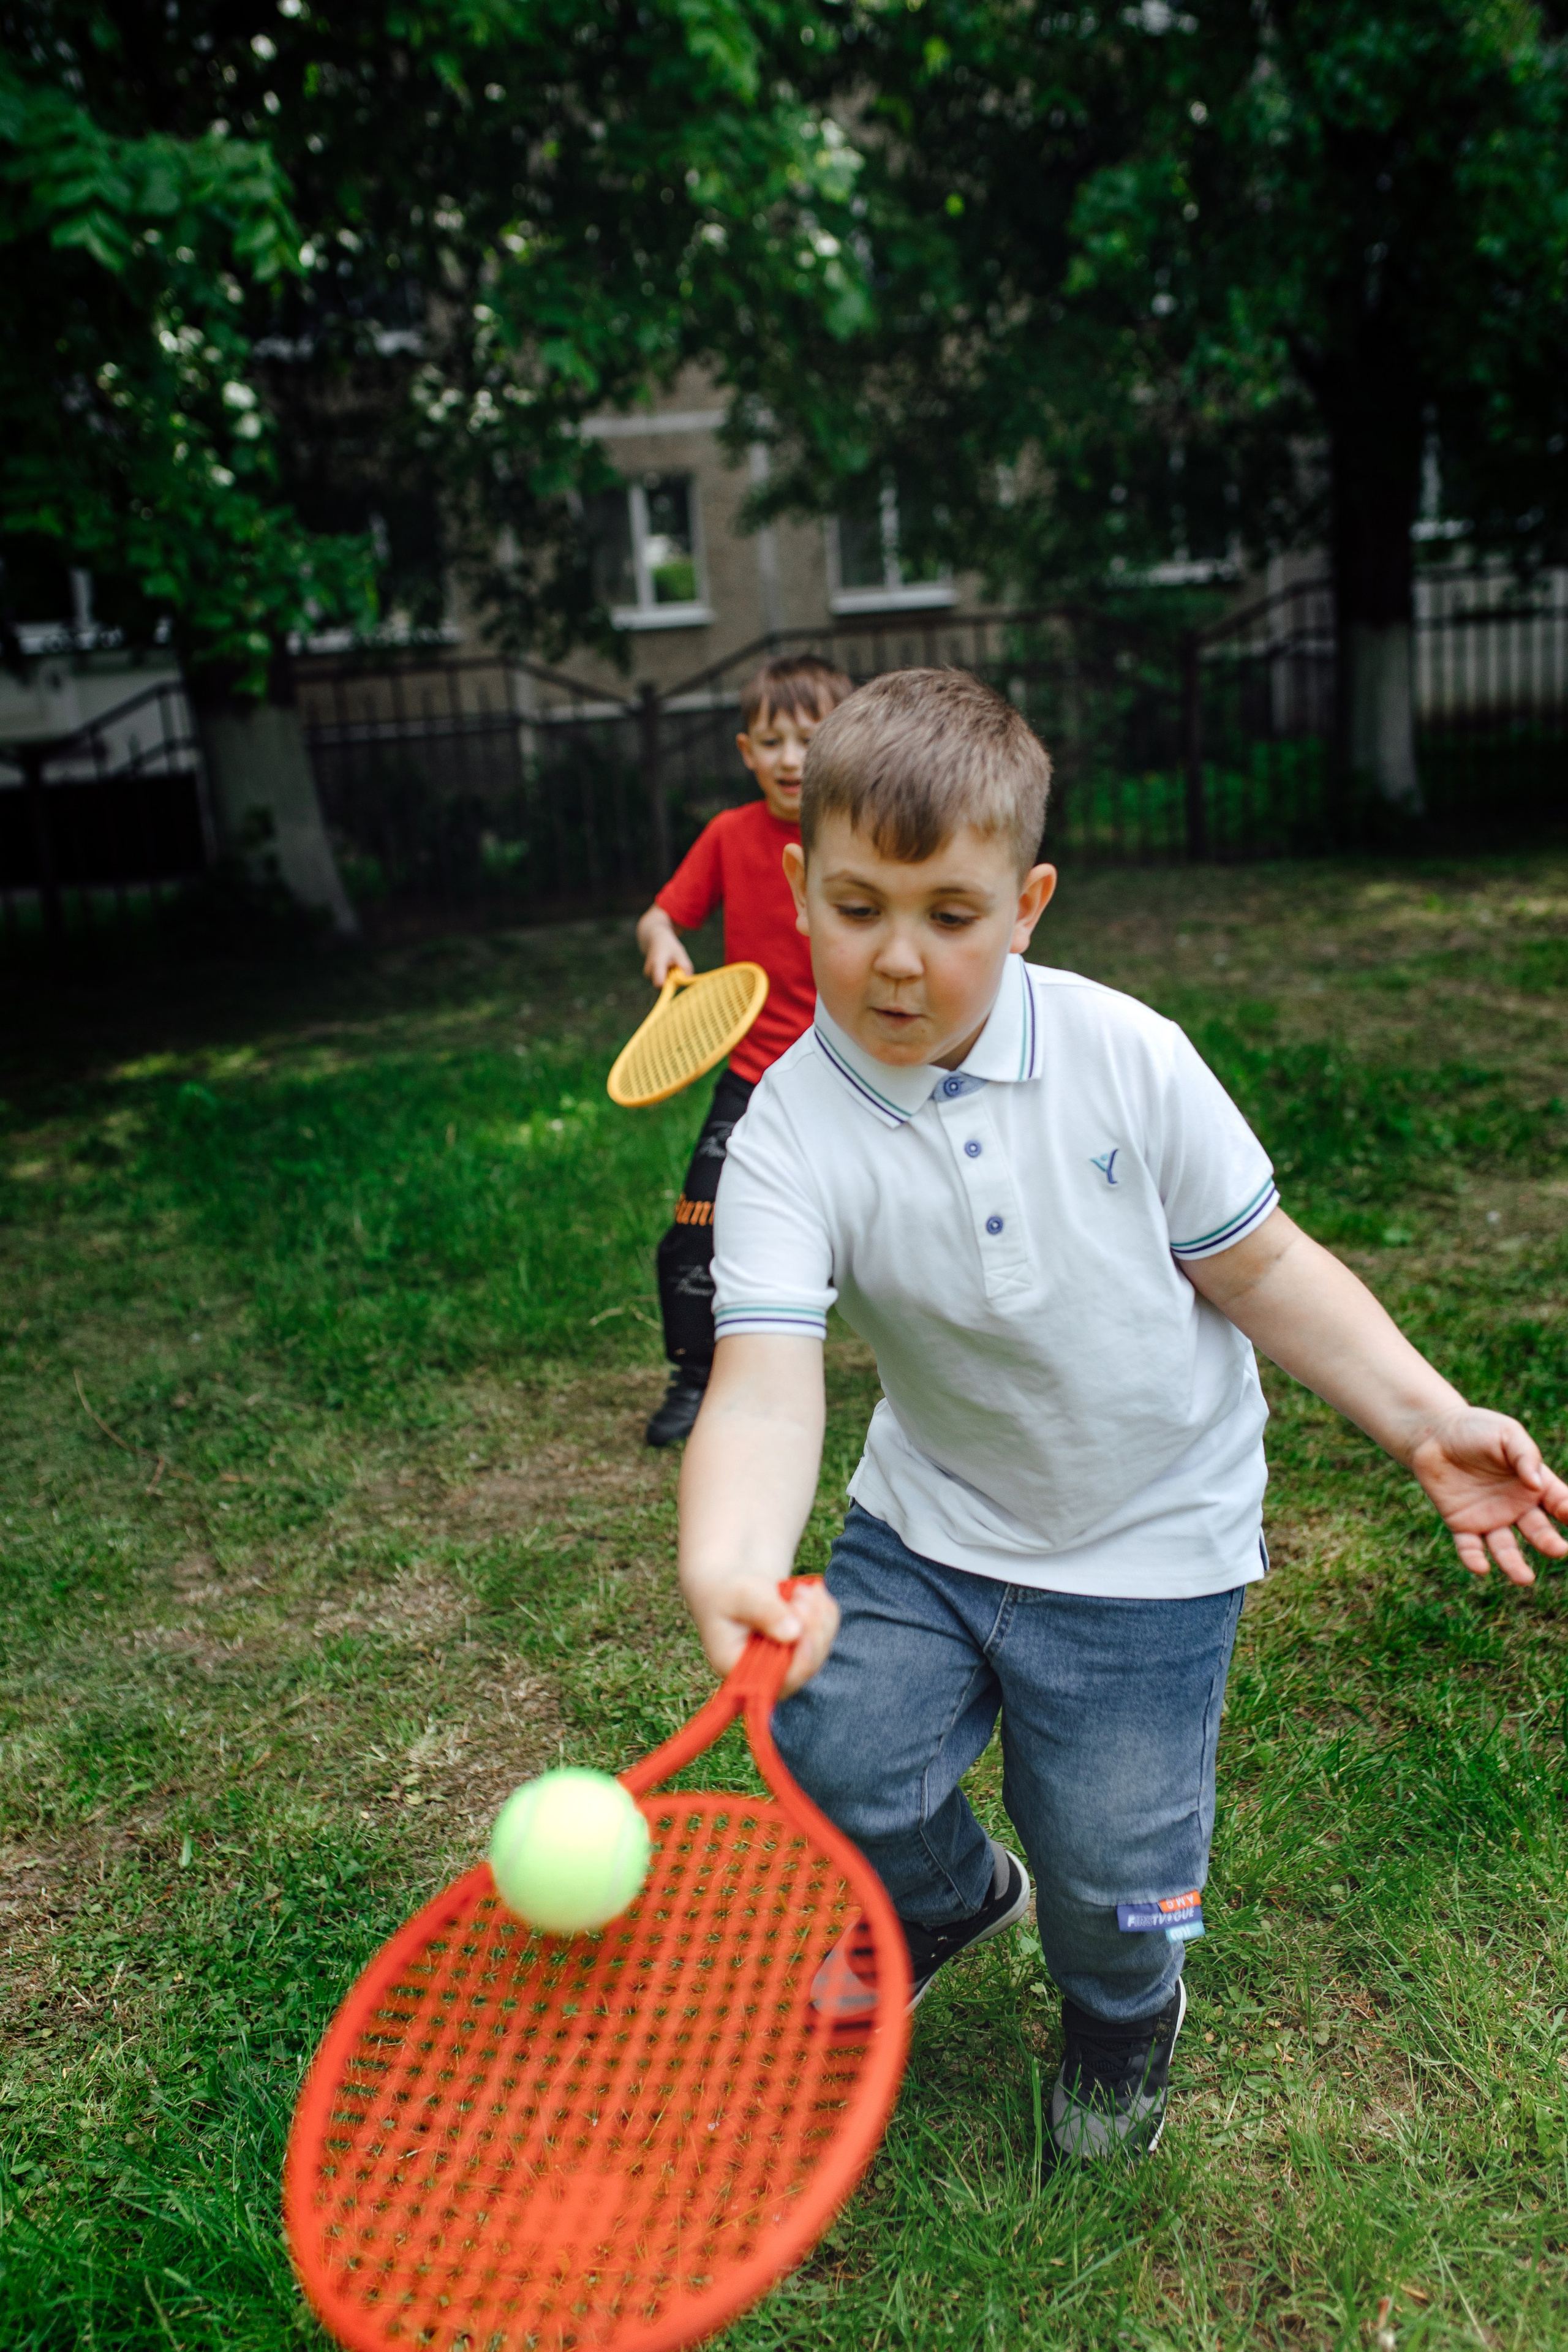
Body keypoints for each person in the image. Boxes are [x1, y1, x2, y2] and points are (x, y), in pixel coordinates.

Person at [675, 667, 1568, 2165]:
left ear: (1025, 904)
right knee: (831, 1752)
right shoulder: (785, 1133)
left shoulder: (1126, 1056)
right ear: (794, 886)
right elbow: (765, 1386)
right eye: (854, 908)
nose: (896, 961)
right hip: (931, 1525)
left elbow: (1263, 1266)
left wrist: (1421, 1421)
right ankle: (950, 1898)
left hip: (1149, 1547)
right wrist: (731, 1557)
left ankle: (1116, 2013)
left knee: (1114, 1866)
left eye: (947, 917)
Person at [635, 652, 853, 1448]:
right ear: (745, 752)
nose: (790, 759)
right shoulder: (728, 835)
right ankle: (696, 1377)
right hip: (755, 1076)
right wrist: (666, 947)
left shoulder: (865, 829)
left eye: (810, 737)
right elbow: (662, 917)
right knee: (701, 1222)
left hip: (860, 1071)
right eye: (771, 741)